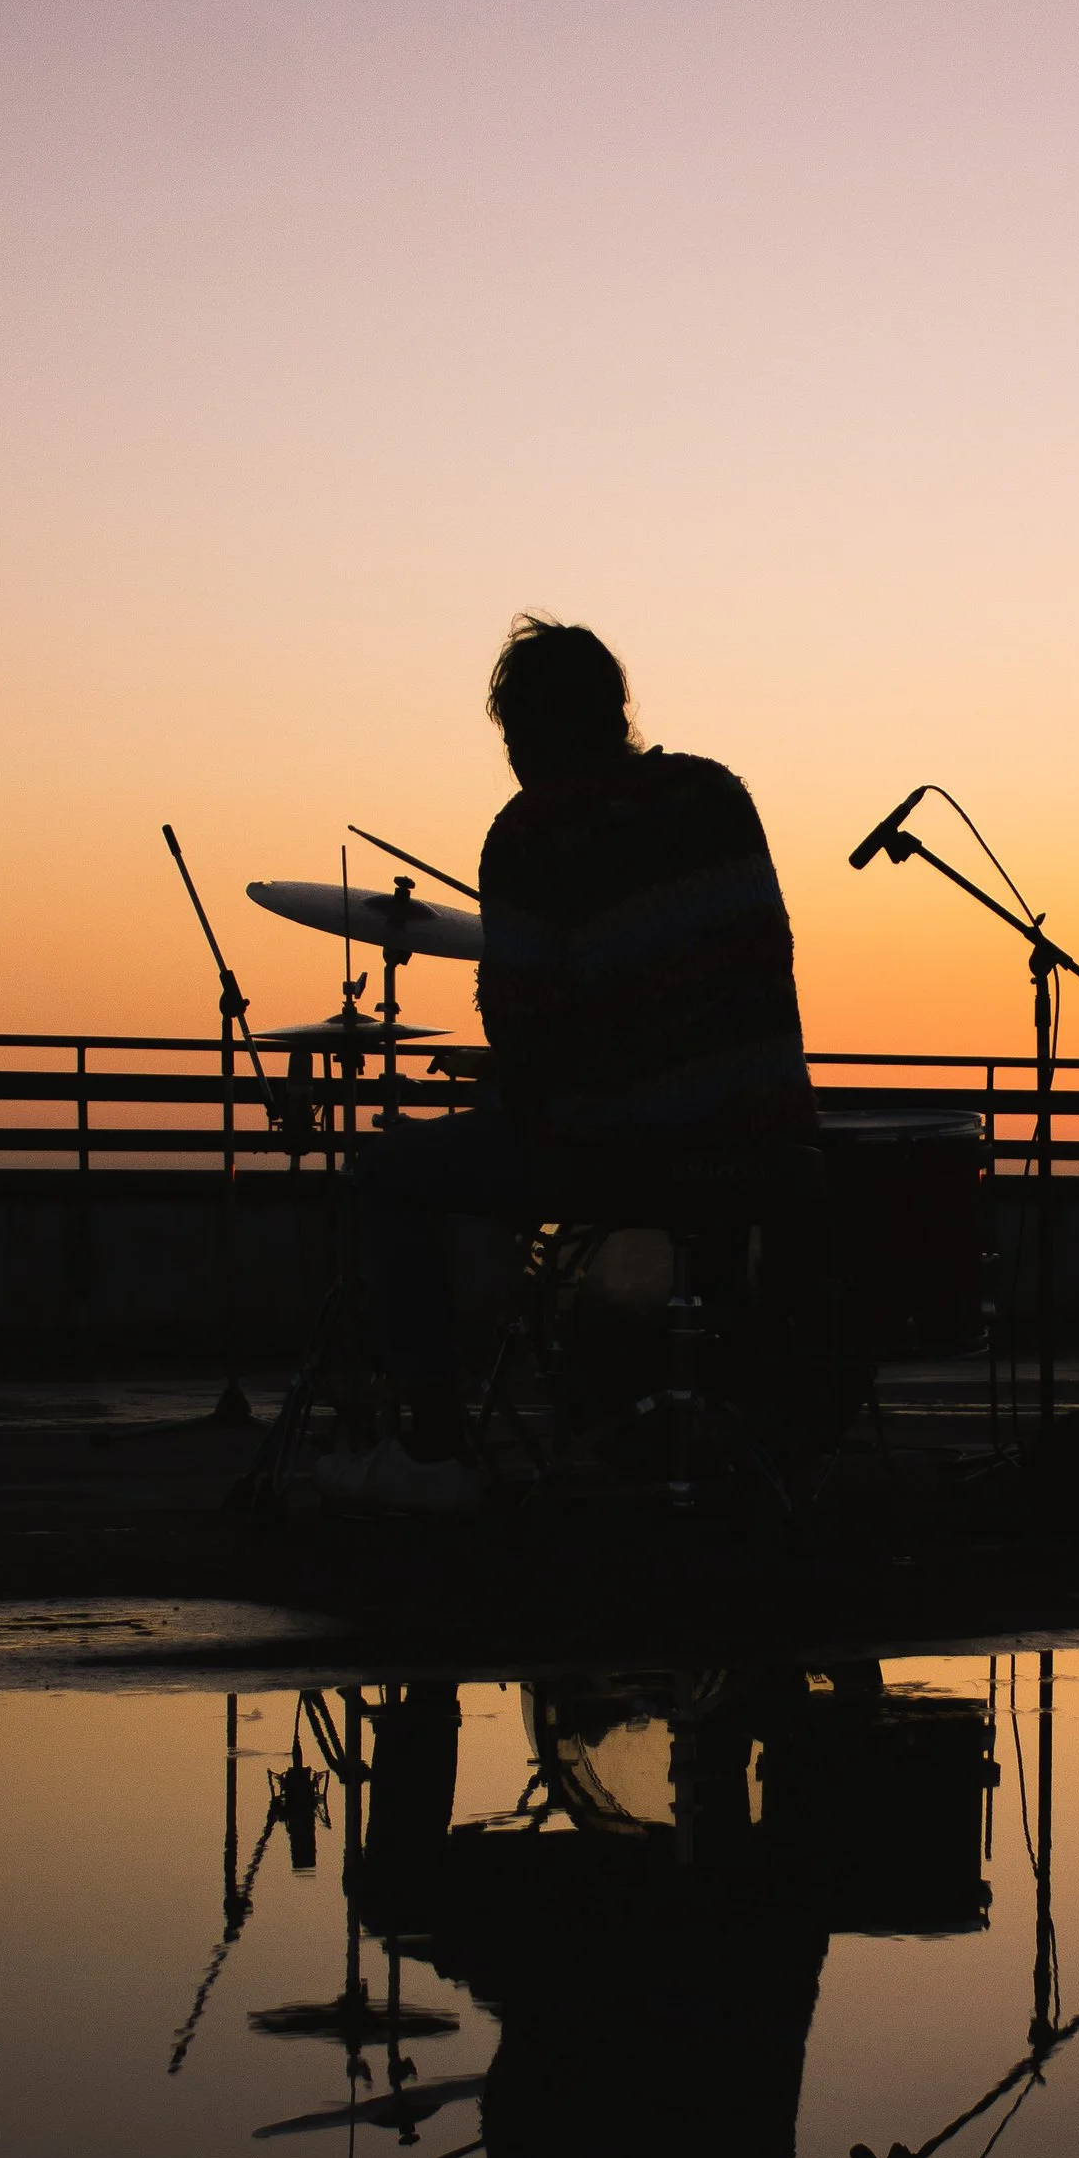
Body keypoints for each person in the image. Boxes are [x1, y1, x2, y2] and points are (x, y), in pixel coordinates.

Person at [332, 618, 815, 1513]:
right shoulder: (717, 795)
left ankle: (432, 1453)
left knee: (393, 1173)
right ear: (618, 711)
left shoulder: (533, 832)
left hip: (629, 1147)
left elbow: (534, 1039)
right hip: (767, 1139)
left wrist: (511, 1081)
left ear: (522, 733)